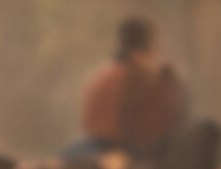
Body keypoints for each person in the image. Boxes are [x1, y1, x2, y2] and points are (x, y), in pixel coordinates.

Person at [74, 15, 188, 160]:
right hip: (124, 149)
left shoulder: (106, 73)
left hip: (98, 143)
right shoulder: (141, 75)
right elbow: (159, 125)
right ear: (147, 43)